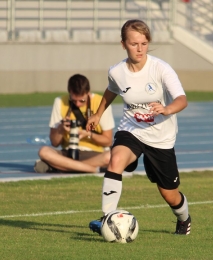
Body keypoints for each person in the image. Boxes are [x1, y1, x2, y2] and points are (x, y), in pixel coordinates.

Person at [87, 19, 191, 235]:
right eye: (134, 44)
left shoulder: (161, 68)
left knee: (169, 194)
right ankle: (107, 219)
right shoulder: (116, 71)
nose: (140, 49)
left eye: (144, 43)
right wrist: (97, 114)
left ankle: (184, 218)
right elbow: (111, 90)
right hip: (131, 129)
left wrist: (167, 109)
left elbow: (182, 99)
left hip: (161, 138)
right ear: (123, 44)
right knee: (114, 160)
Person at [34, 74, 115, 173]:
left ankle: (60, 166)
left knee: (110, 156)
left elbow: (108, 141)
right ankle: (92, 169)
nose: (78, 104)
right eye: (74, 100)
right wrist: (61, 128)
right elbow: (54, 143)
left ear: (88, 93)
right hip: (67, 152)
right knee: (44, 151)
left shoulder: (101, 102)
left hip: (94, 153)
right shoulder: (60, 102)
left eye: (82, 100)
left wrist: (89, 134)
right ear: (69, 93)